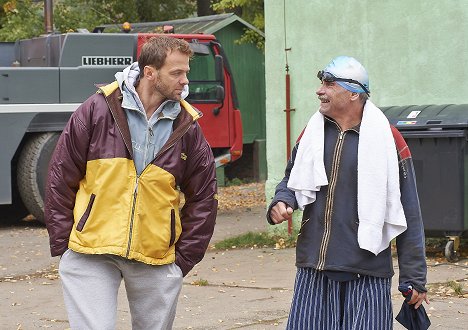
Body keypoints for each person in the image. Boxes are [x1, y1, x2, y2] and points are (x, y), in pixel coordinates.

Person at [44, 36, 218, 329]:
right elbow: (60, 177)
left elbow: (204, 197)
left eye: (186, 72)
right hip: (90, 251)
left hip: (156, 257)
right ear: (150, 73)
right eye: (177, 73)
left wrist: (183, 259)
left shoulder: (187, 126)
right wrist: (64, 245)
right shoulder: (98, 109)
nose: (184, 81)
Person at [267, 56, 429, 329]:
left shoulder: (388, 140)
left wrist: (413, 277)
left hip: (366, 269)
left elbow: (409, 208)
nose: (320, 90)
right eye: (321, 83)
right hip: (315, 267)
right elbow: (291, 180)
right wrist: (282, 200)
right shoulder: (311, 134)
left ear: (354, 93)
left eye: (329, 84)